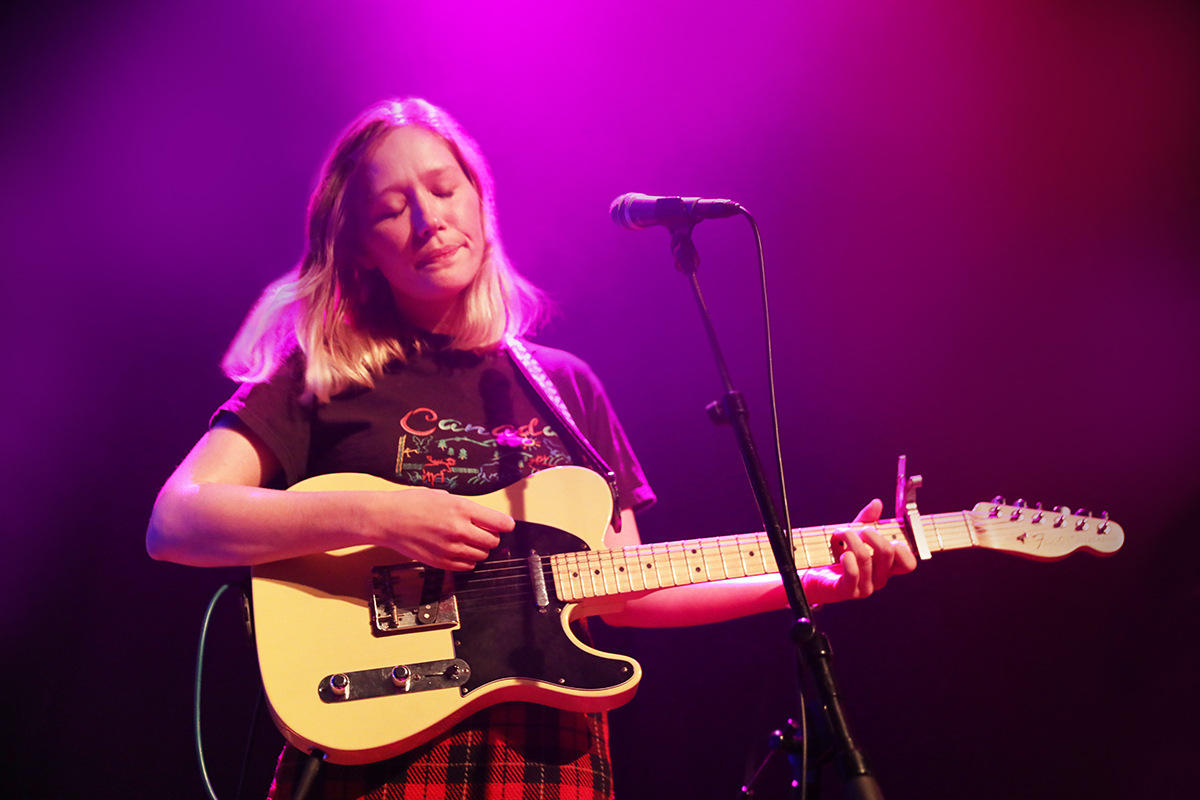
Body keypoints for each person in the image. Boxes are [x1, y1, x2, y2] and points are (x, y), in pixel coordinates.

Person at [147, 98, 916, 800]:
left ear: (482, 204)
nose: (427, 220)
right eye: (391, 208)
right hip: (372, 747)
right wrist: (382, 515)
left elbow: (624, 589)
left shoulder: (562, 385)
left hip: (549, 757)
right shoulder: (322, 374)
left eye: (445, 191)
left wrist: (810, 581)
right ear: (359, 252)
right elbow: (178, 520)